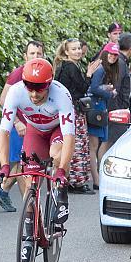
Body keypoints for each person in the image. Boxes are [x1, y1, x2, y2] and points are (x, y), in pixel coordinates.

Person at [0, 58, 76, 262]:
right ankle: (30, 234)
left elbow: (69, 139)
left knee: (56, 153)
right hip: (35, 132)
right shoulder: (15, 92)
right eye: (29, 87)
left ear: (49, 84)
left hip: (57, 132)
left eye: (39, 89)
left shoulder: (61, 95)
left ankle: (60, 191)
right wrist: (4, 165)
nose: (33, 94)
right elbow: (4, 132)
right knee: (30, 180)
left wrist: (62, 171)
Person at [0, 40, 45, 212]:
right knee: (23, 165)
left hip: (33, 127)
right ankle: (28, 208)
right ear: (25, 56)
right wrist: (17, 122)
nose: (35, 57)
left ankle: (4, 192)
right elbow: (2, 100)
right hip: (18, 127)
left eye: (38, 54)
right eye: (32, 53)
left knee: (26, 163)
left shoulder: (44, 73)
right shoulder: (17, 74)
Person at [54, 39, 100, 194]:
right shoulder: (71, 67)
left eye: (79, 48)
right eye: (74, 49)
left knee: (68, 145)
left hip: (64, 110)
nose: (78, 51)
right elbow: (81, 89)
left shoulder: (63, 66)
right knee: (78, 145)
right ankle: (77, 182)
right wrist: (89, 74)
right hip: (73, 110)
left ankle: (67, 179)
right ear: (67, 52)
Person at [87, 46, 119, 191]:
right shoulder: (101, 69)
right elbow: (93, 88)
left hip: (100, 109)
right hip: (96, 110)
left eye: (115, 55)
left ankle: (99, 178)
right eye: (111, 54)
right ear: (105, 53)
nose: (113, 57)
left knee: (98, 145)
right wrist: (110, 93)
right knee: (93, 146)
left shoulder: (105, 69)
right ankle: (97, 180)